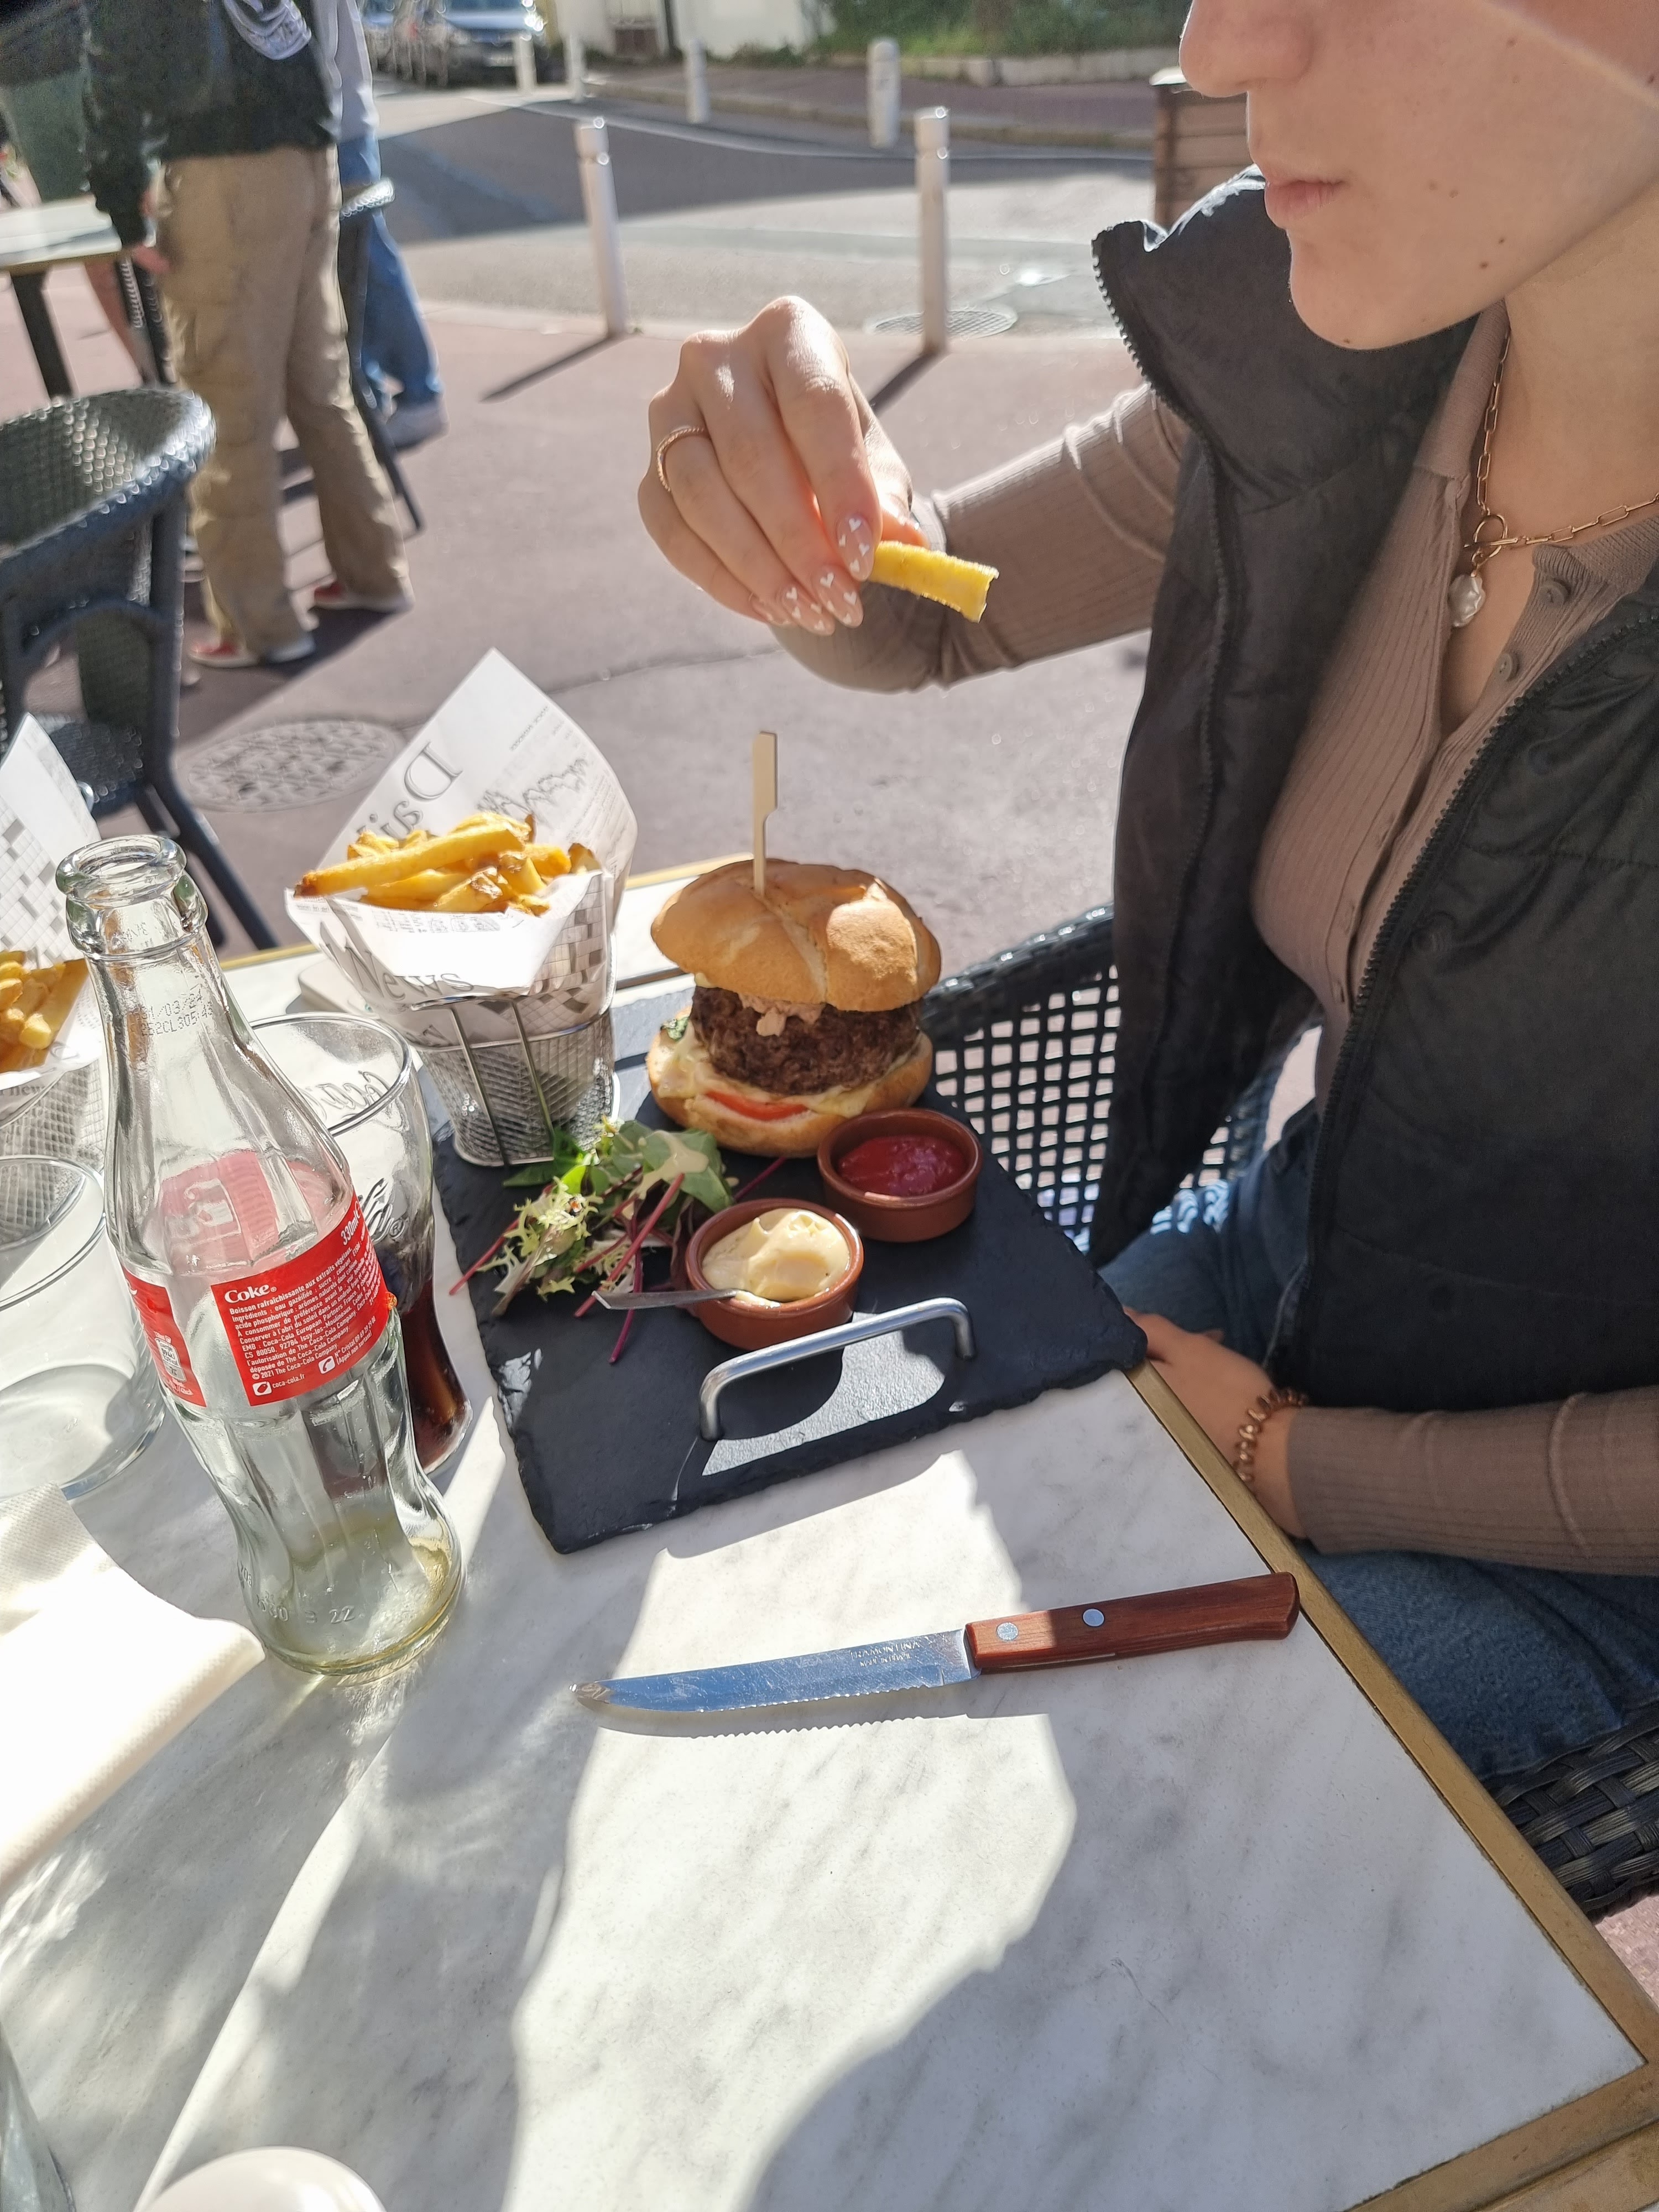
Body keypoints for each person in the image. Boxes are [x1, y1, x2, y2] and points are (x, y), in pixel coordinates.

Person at [637, 2, 1659, 1792]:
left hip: (1582, 1540)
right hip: (1294, 1246)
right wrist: (792, 486)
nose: (1220, 42)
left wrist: (1291, 1459)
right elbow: (924, 612)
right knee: (841, 1542)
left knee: (1062, 1795)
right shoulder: (1342, 376)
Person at [84, 0, 411, 671]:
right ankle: (374, 570)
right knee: (320, 387)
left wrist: (123, 205)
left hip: (221, 167)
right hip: (308, 152)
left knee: (226, 406)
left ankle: (256, 624)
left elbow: (113, 56)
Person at [317, 0, 446, 449]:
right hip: (333, 121)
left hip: (333, 127)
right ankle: (370, 394)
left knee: (366, 261)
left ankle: (418, 394)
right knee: (346, 269)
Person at [0, 0, 148, 373]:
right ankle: (150, 374)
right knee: (89, 246)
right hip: (23, 82)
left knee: (152, 218)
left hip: (95, 56)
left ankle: (188, 369)